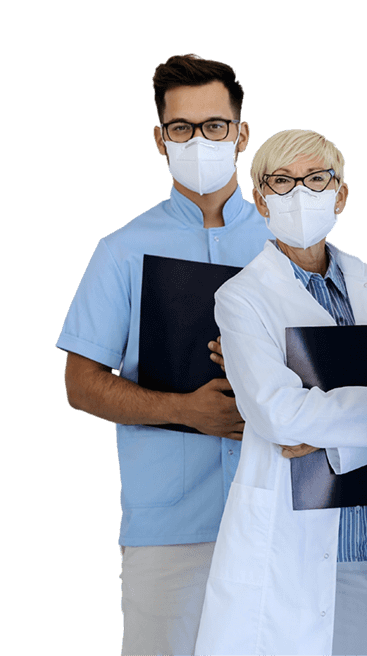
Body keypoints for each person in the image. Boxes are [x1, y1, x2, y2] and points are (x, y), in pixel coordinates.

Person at [57, 54, 271, 655]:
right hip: (171, 526)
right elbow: (80, 383)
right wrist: (187, 410)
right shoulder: (122, 250)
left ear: (241, 134)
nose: (199, 140)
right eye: (182, 128)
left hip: (277, 512)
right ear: (160, 139)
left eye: (214, 125)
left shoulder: (287, 246)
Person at [192, 129, 367, 655]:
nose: (299, 194)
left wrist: (332, 438)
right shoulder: (241, 298)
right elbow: (279, 415)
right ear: (259, 199)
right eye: (280, 182)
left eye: (316, 179)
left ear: (341, 194)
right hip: (296, 531)